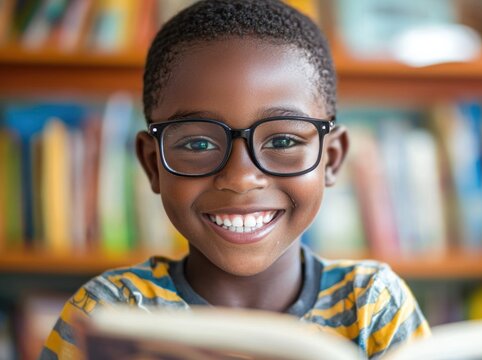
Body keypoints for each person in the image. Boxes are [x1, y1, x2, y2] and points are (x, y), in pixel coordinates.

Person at [41, 1, 430, 359]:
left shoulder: (372, 305)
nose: (241, 178)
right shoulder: (111, 313)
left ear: (331, 158)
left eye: (282, 140)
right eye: (197, 143)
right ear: (152, 163)